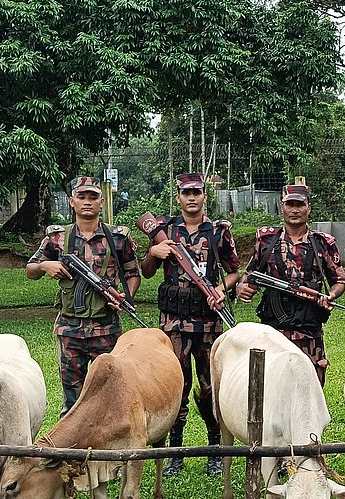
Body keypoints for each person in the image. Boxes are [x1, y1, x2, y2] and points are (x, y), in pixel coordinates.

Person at [141, 173, 241, 476]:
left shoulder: (218, 232)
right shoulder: (165, 230)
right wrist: (152, 252)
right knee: (176, 387)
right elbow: (146, 272)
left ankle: (213, 451)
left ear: (205, 197)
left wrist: (222, 291)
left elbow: (235, 271)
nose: (192, 198)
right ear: (178, 197)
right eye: (186, 193)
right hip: (174, 324)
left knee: (211, 387)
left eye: (197, 192)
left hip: (209, 323)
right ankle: (175, 453)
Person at [26, 175, 141, 416]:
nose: (87, 202)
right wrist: (46, 265)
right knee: (72, 402)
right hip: (70, 331)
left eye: (93, 197)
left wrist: (124, 297)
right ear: (71, 201)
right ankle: (72, 452)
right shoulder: (57, 237)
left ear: (102, 202)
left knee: (110, 396)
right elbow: (31, 270)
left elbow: (133, 273)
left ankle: (106, 451)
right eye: (81, 197)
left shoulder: (118, 238)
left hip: (107, 329)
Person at [235, 184, 345, 385]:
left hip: (309, 332)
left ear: (308, 208)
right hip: (272, 333)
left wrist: (331, 296)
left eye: (300, 204)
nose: (295, 209)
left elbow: (339, 280)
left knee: (310, 388)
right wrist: (243, 288)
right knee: (270, 387)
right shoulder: (266, 241)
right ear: (282, 207)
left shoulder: (322, 243)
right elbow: (249, 275)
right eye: (290, 204)